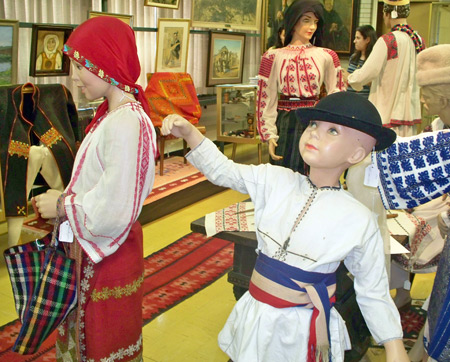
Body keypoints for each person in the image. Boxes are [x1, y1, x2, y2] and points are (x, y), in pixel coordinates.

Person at [162, 91, 408, 362]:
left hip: (301, 330)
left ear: (357, 153)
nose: (314, 133)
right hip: (256, 315)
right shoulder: (275, 179)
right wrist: (190, 134)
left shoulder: (358, 219)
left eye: (333, 131)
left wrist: (393, 345)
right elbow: (224, 170)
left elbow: (372, 290)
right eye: (314, 125)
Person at [32, 16, 157, 361]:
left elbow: (113, 209)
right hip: (96, 248)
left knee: (102, 339)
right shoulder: (114, 116)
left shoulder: (126, 122)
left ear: (107, 64)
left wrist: (61, 204)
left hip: (105, 253)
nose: (74, 76)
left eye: (81, 66)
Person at [373, 44, 450, 362]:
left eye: (425, 92)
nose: (421, 100)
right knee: (439, 302)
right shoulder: (440, 132)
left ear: (444, 97)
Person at [256, 0, 345, 174]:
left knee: (311, 172)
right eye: (306, 20)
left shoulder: (327, 55)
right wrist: (269, 134)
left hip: (314, 120)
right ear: (293, 21)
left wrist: (335, 127)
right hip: (285, 120)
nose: (312, 26)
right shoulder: (272, 56)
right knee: (283, 173)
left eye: (315, 21)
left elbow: (337, 93)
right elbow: (266, 97)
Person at [347, 0, 425, 137]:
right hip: (408, 115)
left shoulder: (388, 40)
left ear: (389, 14)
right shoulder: (417, 40)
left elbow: (367, 72)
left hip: (386, 112)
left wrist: (350, 78)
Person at [346, 25, 377, 98]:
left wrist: (350, 77)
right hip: (350, 98)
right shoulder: (353, 57)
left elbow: (375, 82)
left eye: (358, 38)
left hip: (365, 100)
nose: (354, 41)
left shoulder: (373, 59)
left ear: (367, 40)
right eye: (355, 38)